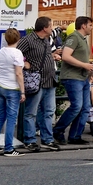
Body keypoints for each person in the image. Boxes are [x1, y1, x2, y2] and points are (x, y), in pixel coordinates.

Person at [18, 17, 61, 152]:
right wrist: (24, 64)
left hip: (50, 80)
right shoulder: (28, 40)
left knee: (49, 112)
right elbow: (15, 53)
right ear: (44, 28)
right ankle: (29, 140)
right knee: (31, 112)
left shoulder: (46, 40)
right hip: (36, 81)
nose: (52, 28)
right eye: (51, 26)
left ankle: (47, 139)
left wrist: (52, 56)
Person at [53, 16, 93, 145]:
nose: (91, 28)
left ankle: (75, 135)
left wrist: (88, 68)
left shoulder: (82, 39)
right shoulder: (74, 37)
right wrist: (84, 65)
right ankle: (58, 130)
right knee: (77, 106)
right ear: (83, 26)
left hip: (82, 77)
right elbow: (65, 56)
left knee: (84, 108)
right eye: (90, 25)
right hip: (72, 77)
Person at [0, 29, 25, 156]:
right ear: (18, 39)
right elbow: (19, 73)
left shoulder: (1, 51)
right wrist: (23, 91)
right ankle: (9, 148)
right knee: (11, 118)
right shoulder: (17, 53)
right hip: (12, 88)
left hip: (0, 85)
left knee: (0, 116)